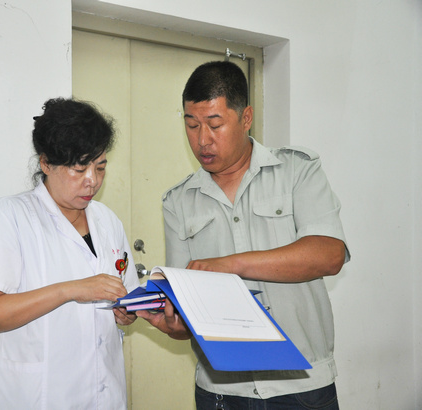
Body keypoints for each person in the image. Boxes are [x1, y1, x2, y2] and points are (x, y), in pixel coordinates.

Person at [137, 61, 350, 409]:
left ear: (246, 117)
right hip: (221, 393)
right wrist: (172, 321)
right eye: (191, 125)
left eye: (214, 124)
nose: (202, 140)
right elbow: (187, 310)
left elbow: (329, 255)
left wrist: (229, 265)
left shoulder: (297, 171)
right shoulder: (178, 201)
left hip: (301, 388)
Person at [0, 97, 140, 409]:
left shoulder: (108, 221)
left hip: (104, 394)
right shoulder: (7, 217)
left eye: (100, 167)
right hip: (35, 397)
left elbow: (125, 298)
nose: (92, 181)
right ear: (46, 163)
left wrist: (126, 313)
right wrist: (71, 290)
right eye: (79, 169)